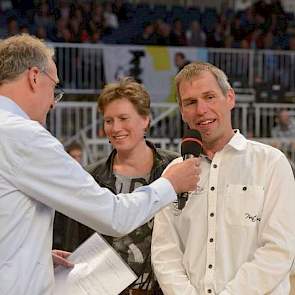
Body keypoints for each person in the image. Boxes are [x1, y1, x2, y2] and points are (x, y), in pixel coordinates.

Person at [0, 34, 200, 295]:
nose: (52, 101)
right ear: (34, 77)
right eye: (54, 87)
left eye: (124, 118)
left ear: (146, 120)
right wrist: (170, 184)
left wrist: (29, 257)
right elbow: (114, 217)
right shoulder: (25, 136)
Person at [151, 61, 295, 295]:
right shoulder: (174, 173)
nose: (201, 110)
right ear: (182, 111)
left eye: (209, 97)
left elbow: (279, 250)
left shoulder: (271, 163)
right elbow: (165, 252)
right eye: (190, 102)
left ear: (230, 98)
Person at [56, 77, 179, 294]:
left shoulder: (175, 168)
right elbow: (75, 243)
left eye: (123, 118)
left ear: (145, 120)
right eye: (109, 120)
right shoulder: (89, 177)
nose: (115, 128)